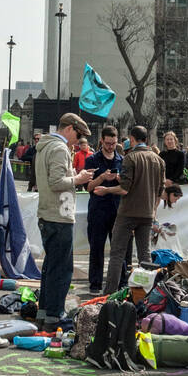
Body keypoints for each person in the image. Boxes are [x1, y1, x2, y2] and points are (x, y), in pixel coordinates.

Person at [34, 113, 94, 332]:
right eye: (78, 135)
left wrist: (75, 177)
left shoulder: (46, 146)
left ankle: (44, 312)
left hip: (48, 213)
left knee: (51, 266)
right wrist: (78, 179)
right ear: (69, 128)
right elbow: (57, 182)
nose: (78, 140)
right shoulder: (59, 149)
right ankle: (54, 315)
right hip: (59, 215)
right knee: (62, 269)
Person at [96, 125, 165, 294]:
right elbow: (160, 190)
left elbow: (124, 189)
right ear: (146, 139)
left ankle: (109, 294)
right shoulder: (159, 160)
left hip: (128, 212)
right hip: (147, 213)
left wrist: (107, 190)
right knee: (145, 256)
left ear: (132, 140)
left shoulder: (130, 158)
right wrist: (153, 210)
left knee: (117, 254)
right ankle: (146, 294)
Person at [84, 124, 124, 295]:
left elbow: (127, 187)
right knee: (96, 247)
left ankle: (120, 283)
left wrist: (119, 178)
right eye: (108, 143)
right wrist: (102, 177)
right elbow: (88, 187)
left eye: (113, 143)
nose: (110, 147)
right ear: (101, 141)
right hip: (98, 209)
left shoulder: (122, 160)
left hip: (117, 209)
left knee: (119, 248)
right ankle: (95, 283)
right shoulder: (92, 160)